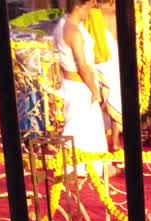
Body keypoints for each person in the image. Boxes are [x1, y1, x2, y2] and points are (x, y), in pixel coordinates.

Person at [54, 0, 110, 174]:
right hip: (79, 85)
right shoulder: (73, 31)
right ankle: (79, 166)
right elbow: (82, 65)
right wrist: (94, 89)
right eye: (87, 8)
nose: (89, 12)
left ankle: (93, 166)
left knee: (88, 126)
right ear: (78, 6)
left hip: (74, 84)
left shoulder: (64, 23)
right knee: (79, 126)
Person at [88, 0, 122, 151]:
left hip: (102, 61)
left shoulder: (93, 11)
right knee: (116, 98)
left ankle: (107, 140)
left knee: (104, 97)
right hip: (117, 59)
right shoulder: (121, 9)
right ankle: (114, 141)